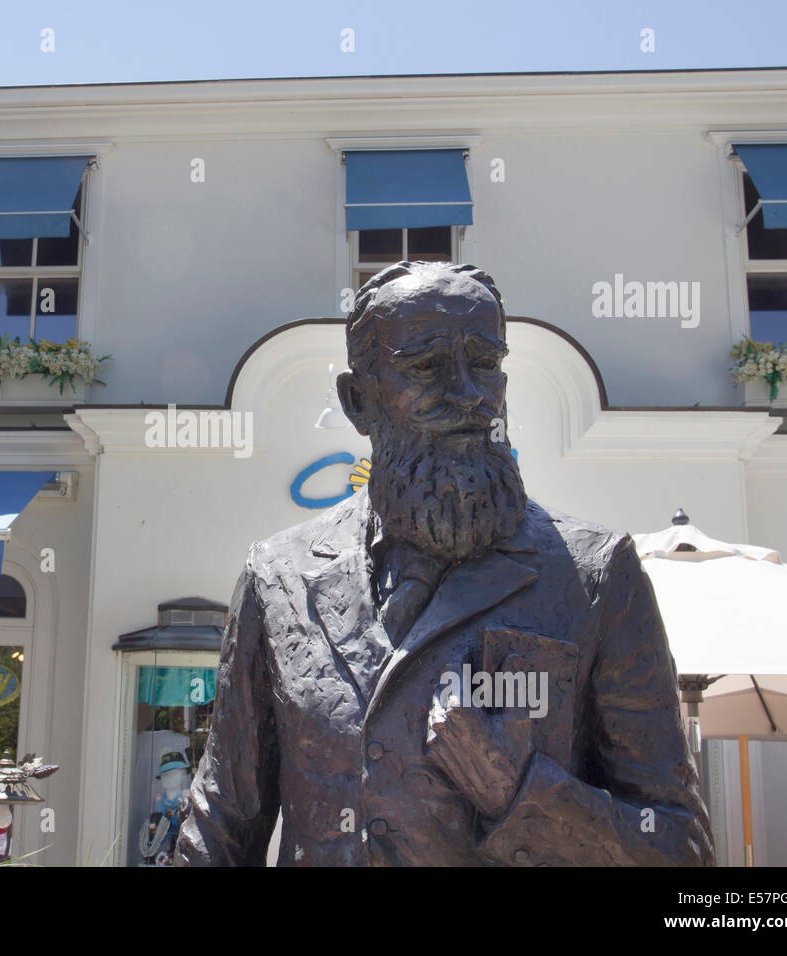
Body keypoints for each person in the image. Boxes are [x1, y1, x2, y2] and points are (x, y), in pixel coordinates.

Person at [175, 261, 714, 867]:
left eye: (485, 363)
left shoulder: (594, 573)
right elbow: (221, 824)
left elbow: (681, 849)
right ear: (359, 402)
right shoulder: (279, 579)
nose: (468, 394)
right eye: (425, 366)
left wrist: (523, 794)